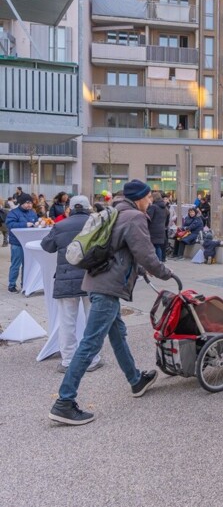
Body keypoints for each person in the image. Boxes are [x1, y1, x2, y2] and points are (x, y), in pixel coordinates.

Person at [48, 179, 173, 425]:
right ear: (139, 198)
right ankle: (64, 401)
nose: (150, 201)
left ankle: (136, 380)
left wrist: (137, 269)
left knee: (117, 335)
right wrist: (165, 273)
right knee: (91, 343)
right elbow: (146, 253)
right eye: (148, 197)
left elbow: (120, 250)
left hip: (99, 282)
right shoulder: (135, 217)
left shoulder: (115, 212)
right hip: (108, 288)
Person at [41, 196, 103, 374]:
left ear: (70, 209)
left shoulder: (60, 225)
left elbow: (47, 246)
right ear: (88, 208)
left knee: (67, 321)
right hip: (92, 278)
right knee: (93, 320)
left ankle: (68, 360)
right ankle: (92, 359)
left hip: (66, 279)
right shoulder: (96, 224)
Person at [5, 193, 38, 293]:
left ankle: (25, 284)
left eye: (30, 203)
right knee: (16, 264)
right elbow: (10, 224)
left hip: (29, 243)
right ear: (21, 203)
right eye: (27, 203)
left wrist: (38, 224)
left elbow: (35, 222)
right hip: (17, 243)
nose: (29, 205)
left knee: (27, 265)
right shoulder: (14, 213)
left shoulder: (32, 213)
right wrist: (24, 224)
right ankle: (12, 285)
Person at [146, 191, 168, 262]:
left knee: (154, 247)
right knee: (158, 246)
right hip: (161, 230)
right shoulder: (164, 207)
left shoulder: (153, 207)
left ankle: (156, 262)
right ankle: (160, 261)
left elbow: (148, 218)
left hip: (153, 230)